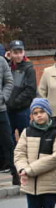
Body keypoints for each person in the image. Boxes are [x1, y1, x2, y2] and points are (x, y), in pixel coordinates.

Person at [6, 40, 37, 140]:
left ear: (24, 52)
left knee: (25, 139)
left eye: (20, 52)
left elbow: (30, 91)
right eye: (15, 53)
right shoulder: (7, 66)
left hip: (22, 110)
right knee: (8, 139)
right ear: (10, 53)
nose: (18, 55)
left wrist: (14, 102)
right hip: (8, 110)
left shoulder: (29, 68)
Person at [0, 49, 14, 184]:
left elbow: (9, 81)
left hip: (1, 110)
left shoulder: (1, 61)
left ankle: (16, 174)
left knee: (8, 142)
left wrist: (3, 97)